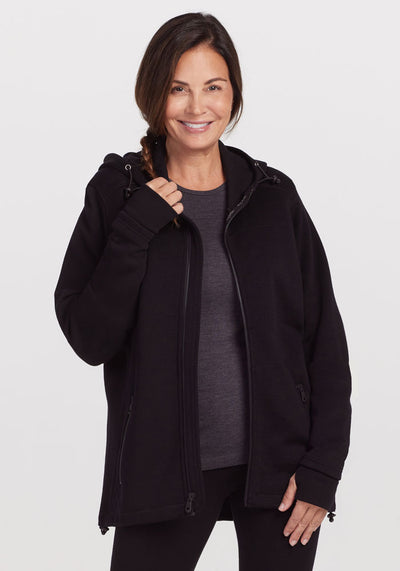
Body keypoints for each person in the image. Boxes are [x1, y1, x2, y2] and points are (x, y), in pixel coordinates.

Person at [54, 12, 352, 571]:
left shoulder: (272, 197)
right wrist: (135, 229)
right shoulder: (119, 194)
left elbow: (324, 342)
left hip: (280, 474)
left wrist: (322, 468)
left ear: (233, 93)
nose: (197, 107)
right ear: (153, 95)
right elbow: (90, 337)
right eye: (178, 89)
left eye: (213, 87)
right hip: (162, 472)